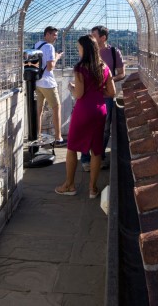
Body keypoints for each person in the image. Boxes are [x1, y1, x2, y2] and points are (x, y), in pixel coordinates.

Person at [56, 35, 116, 198]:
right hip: (99, 111)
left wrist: (71, 87)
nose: (77, 49)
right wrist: (96, 92)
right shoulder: (104, 67)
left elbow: (80, 94)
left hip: (83, 112)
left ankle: (69, 185)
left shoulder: (80, 67)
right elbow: (112, 92)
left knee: (72, 148)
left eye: (78, 47)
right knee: (96, 151)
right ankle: (92, 189)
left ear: (84, 49)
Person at [80, 26, 125, 171]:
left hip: (106, 97)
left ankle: (98, 157)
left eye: (94, 35)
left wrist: (108, 81)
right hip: (89, 97)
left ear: (103, 38)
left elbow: (121, 73)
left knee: (105, 129)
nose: (91, 38)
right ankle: (86, 159)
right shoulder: (87, 52)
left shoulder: (113, 52)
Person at [34, 26, 65, 145]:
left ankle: (37, 136)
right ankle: (58, 138)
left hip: (37, 82)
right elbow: (50, 66)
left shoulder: (37, 45)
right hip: (48, 82)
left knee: (39, 110)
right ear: (47, 34)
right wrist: (57, 57)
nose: (56, 37)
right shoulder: (49, 47)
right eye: (54, 35)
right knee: (56, 107)